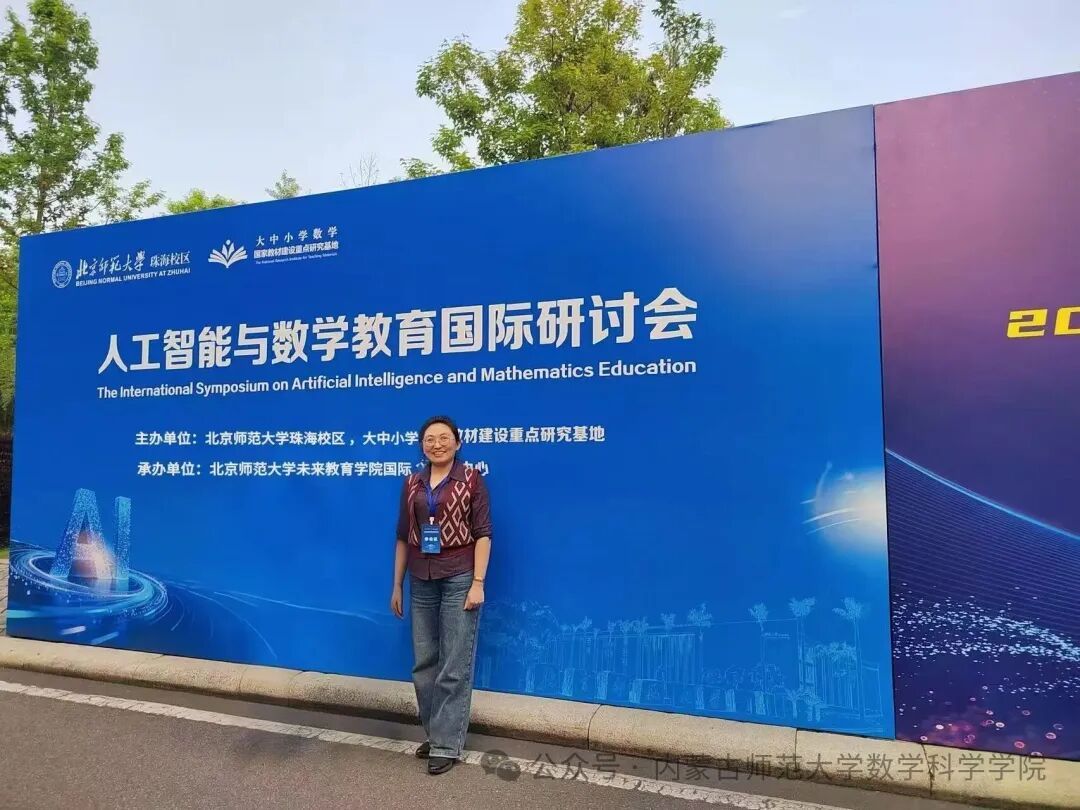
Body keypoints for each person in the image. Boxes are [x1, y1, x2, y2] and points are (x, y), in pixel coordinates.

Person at [390, 415, 492, 775]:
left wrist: (478, 582)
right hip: (421, 577)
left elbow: (483, 534)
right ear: (422, 446)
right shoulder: (412, 483)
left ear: (457, 443)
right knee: (424, 663)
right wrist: (397, 584)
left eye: (444, 438)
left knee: (454, 662)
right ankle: (436, 734)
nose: (437, 444)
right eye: (430, 439)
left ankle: (447, 744)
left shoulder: (472, 479)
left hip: (459, 575)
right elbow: (403, 536)